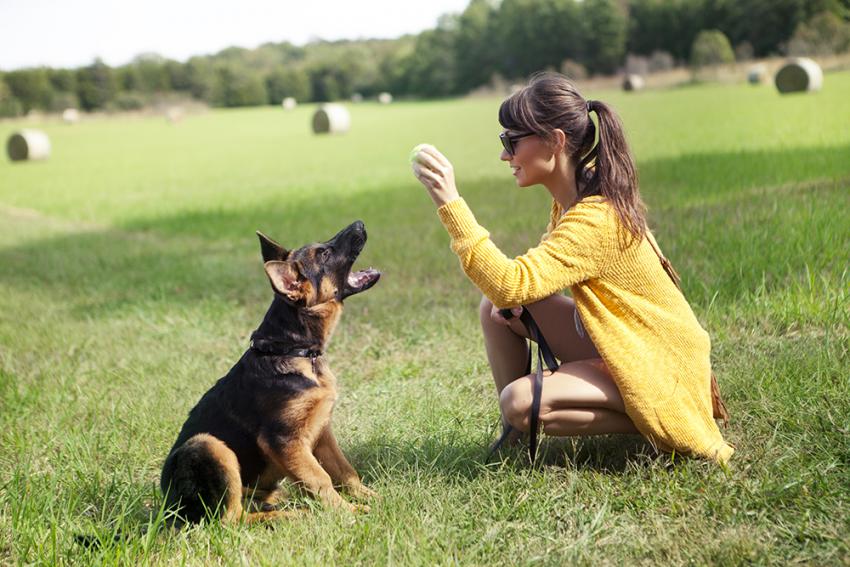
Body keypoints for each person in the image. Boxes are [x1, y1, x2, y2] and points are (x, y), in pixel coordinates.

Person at [410, 72, 733, 464]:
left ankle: (665, 414)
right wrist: (516, 301)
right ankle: (514, 437)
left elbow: (512, 284)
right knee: (493, 309)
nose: (504, 155)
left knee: (518, 400)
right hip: (627, 338)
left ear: (556, 141)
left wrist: (450, 202)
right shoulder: (577, 196)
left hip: (660, 363)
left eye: (512, 141)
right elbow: (521, 286)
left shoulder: (595, 219)